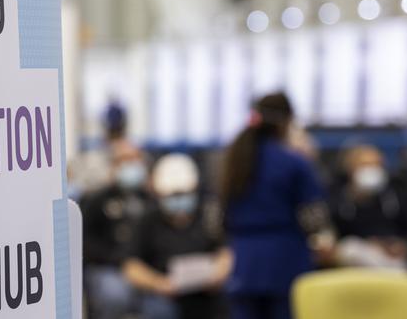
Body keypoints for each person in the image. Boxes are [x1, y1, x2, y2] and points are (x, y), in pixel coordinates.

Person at [220, 92, 326, 319]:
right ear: (288, 122)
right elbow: (314, 219)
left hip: (244, 261)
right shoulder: (295, 163)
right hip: (285, 260)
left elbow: (218, 217)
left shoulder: (233, 162)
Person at [123, 153, 232, 319]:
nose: (179, 201)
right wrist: (159, 284)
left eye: (184, 194)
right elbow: (131, 267)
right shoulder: (147, 220)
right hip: (163, 297)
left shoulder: (209, 215)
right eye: (173, 196)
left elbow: (225, 251)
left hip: (206, 294)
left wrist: (218, 274)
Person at [81, 141, 150, 319]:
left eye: (135, 159)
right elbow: (85, 242)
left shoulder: (149, 199)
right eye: (124, 160)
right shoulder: (96, 200)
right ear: (113, 165)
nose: (131, 165)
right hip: (107, 267)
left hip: (143, 268)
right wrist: (120, 261)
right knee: (115, 295)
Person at [329, 145, 407, 268]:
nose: (371, 170)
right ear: (351, 168)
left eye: (376, 165)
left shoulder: (395, 194)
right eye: (365, 165)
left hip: (390, 257)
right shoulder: (338, 196)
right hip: (352, 259)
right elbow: (335, 234)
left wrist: (401, 244)